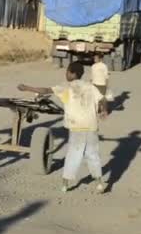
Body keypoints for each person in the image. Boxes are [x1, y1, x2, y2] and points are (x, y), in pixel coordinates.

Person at [18, 62, 108, 193]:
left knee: (73, 156)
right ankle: (99, 183)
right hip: (91, 126)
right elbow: (103, 99)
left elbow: (46, 91)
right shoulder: (91, 87)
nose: (66, 74)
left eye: (67, 72)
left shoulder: (66, 87)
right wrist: (104, 110)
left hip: (76, 127)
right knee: (93, 155)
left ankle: (65, 185)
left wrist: (26, 87)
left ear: (73, 74)